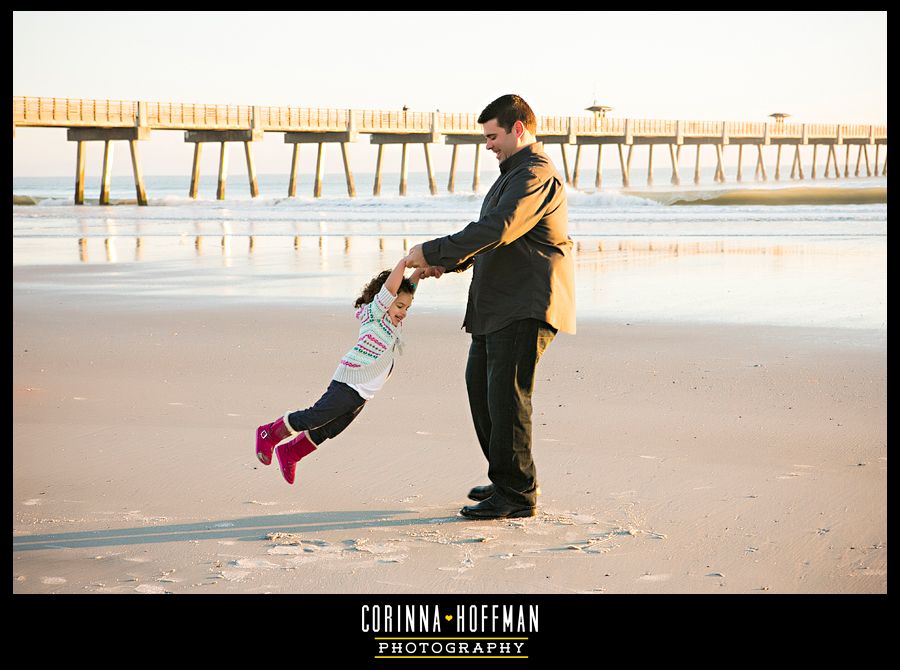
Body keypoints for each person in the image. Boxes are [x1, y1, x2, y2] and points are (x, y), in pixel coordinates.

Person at [405, 94, 576, 519]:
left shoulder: (534, 174)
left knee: (506, 399)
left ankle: (517, 495)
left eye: (493, 135)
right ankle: (508, 478)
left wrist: (432, 250)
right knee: (482, 394)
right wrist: (446, 263)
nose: (488, 145)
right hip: (498, 305)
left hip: (525, 303)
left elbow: (497, 229)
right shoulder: (513, 174)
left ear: (518, 128)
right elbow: (491, 238)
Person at [255, 257, 426, 485]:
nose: (404, 312)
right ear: (385, 301)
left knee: (330, 428)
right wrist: (405, 263)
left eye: (407, 307)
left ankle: (291, 453)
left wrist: (420, 273)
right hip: (350, 383)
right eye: (399, 306)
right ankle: (269, 433)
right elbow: (392, 288)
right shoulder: (375, 315)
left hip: (362, 393)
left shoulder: (393, 323)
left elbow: (407, 289)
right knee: (316, 416)